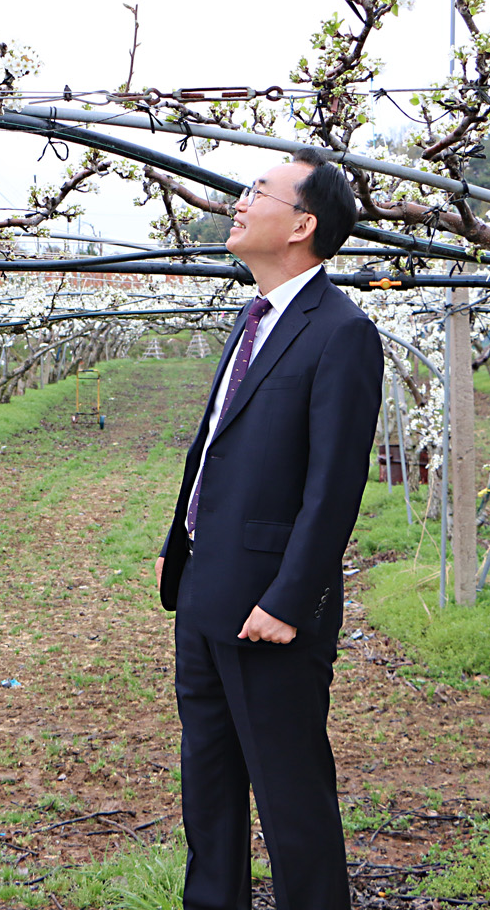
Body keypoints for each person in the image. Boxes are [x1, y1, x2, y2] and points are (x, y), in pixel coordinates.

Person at [155, 147, 383, 910]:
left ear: (303, 223)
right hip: (204, 592)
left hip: (270, 610)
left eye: (258, 191)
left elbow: (333, 487)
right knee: (209, 789)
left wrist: (290, 600)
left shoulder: (340, 331)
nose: (240, 202)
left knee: (290, 797)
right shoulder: (254, 315)